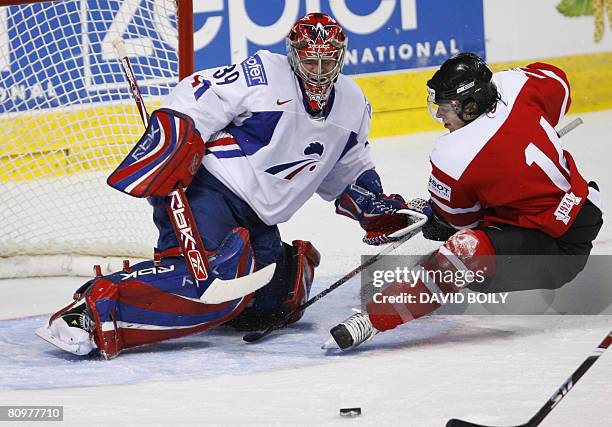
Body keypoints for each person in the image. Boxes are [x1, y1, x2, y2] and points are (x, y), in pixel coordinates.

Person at [36, 13, 416, 359]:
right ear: (293, 55)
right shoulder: (266, 73)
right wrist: (178, 137)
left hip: (259, 215)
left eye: (327, 61)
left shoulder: (353, 103)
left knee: (276, 300)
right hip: (207, 189)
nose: (318, 72)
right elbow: (199, 89)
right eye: (310, 60)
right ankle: (88, 311)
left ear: (341, 58)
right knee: (213, 283)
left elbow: (346, 170)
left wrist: (374, 206)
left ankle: (218, 295)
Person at [324, 52, 603, 351]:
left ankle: (373, 320)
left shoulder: (453, 155)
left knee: (464, 251)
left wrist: (434, 217)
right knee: (469, 241)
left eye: (444, 109)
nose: (440, 116)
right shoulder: (516, 84)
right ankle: (417, 282)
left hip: (555, 252)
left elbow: (461, 225)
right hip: (586, 211)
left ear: (470, 107)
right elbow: (560, 85)